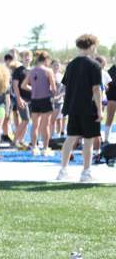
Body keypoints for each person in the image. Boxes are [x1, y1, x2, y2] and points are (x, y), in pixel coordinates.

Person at [57, 34, 104, 183]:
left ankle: (63, 170)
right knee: (88, 140)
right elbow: (96, 89)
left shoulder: (71, 65)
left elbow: (64, 86)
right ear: (91, 46)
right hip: (88, 108)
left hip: (73, 107)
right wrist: (99, 110)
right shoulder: (94, 65)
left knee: (71, 138)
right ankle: (85, 172)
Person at [25, 51, 57, 156]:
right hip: (45, 100)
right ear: (46, 60)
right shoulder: (49, 71)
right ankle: (45, 148)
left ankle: (34, 148)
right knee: (45, 126)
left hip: (35, 100)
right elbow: (53, 88)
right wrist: (54, 95)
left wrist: (34, 89)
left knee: (35, 125)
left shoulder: (31, 71)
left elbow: (23, 85)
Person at [12, 50, 33, 149]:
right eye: (25, 56)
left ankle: (21, 141)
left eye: (28, 56)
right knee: (25, 119)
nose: (27, 57)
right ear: (22, 58)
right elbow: (15, 86)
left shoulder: (33, 70)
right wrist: (18, 98)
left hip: (32, 99)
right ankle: (15, 141)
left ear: (32, 58)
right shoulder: (18, 70)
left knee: (27, 121)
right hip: (22, 98)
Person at [51, 59, 66, 137]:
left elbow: (65, 90)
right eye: (54, 65)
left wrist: (58, 97)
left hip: (59, 101)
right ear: (51, 66)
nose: (56, 67)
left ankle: (58, 136)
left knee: (59, 119)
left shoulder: (62, 76)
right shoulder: (48, 75)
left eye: (57, 65)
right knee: (51, 120)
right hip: (49, 102)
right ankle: (50, 137)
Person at [104, 57, 116, 143]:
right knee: (109, 118)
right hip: (112, 97)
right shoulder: (111, 71)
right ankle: (106, 139)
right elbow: (109, 84)